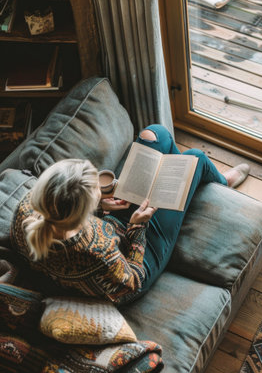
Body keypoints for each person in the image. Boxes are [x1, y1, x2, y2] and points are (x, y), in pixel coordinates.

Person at [11, 125, 249, 305]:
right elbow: (132, 281)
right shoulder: (98, 253)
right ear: (81, 214)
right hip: (130, 269)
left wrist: (101, 206)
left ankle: (184, 174)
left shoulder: (25, 208)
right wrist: (137, 228)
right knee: (196, 158)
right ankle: (217, 181)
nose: (104, 185)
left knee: (154, 135)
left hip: (105, 229)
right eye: (96, 190)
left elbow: (70, 220)